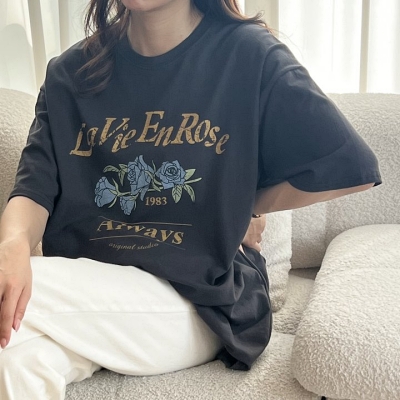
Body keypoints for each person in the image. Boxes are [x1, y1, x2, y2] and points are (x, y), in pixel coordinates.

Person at [0, 0, 381, 398]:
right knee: (15, 362)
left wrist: (243, 203)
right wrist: (13, 246)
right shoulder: (70, 74)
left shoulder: (248, 55)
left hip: (201, 298)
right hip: (94, 290)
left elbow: (350, 166)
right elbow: (33, 190)